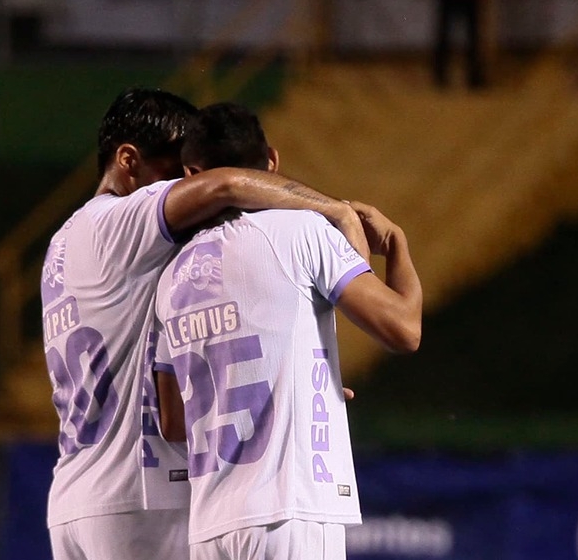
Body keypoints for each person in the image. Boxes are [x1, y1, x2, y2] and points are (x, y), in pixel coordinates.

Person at [42, 88, 368, 560]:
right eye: (177, 175)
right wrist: (335, 210)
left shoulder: (64, 242)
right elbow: (226, 186)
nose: (188, 189)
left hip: (75, 495)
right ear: (128, 161)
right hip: (141, 498)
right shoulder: (121, 222)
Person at [152, 102, 422, 560]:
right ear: (272, 162)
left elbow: (175, 422)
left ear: (191, 173)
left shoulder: (172, 277)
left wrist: (292, 378)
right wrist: (398, 246)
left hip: (210, 527)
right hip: (289, 511)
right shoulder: (301, 231)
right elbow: (403, 329)